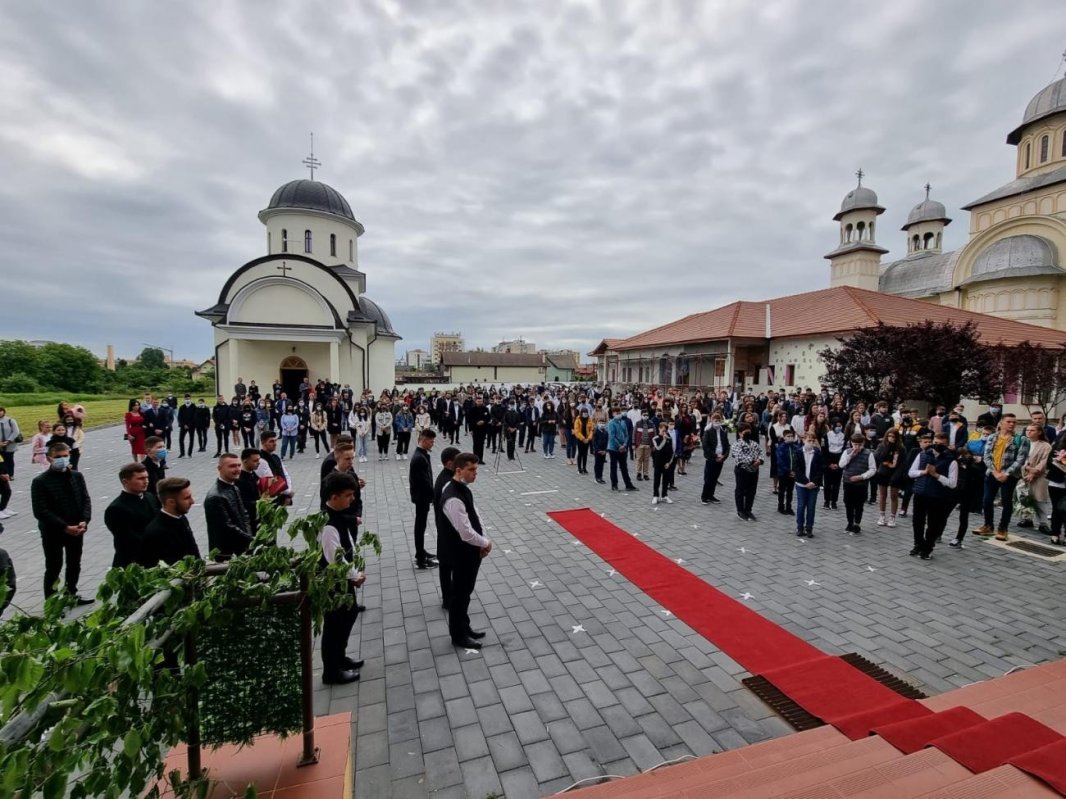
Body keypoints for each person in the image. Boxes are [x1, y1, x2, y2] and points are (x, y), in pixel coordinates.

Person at [439, 453, 492, 649]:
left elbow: (475, 514)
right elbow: (464, 531)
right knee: (459, 594)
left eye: (476, 470)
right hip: (461, 553)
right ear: (459, 470)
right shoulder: (453, 497)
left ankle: (464, 625)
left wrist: (483, 538)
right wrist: (484, 542)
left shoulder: (462, 489)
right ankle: (458, 634)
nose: (475, 474)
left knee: (465, 592)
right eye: (471, 470)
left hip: (471, 551)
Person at [318, 471, 367, 685]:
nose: (352, 498)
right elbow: (334, 558)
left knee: (349, 614)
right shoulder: (327, 524)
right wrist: (354, 575)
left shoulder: (337, 515)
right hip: (334, 581)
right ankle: (331, 670)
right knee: (335, 623)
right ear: (334, 497)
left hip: (342, 579)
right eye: (348, 495)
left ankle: (340, 657)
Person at [31, 442, 92, 602]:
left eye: (65, 456)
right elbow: (41, 511)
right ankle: (51, 602)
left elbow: (85, 499)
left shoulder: (76, 476)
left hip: (77, 528)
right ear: (49, 458)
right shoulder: (41, 481)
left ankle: (71, 593)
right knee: (53, 566)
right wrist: (64, 527)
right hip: (54, 531)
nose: (63, 460)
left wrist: (84, 520)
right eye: (58, 457)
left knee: (74, 563)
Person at [974, 414, 1029, 541]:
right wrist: (994, 472)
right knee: (987, 500)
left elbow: (1020, 459)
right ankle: (988, 525)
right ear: (1001, 423)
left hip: (1009, 476)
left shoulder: (1021, 439)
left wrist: (1006, 473)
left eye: (1014, 422)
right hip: (992, 473)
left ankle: (1003, 528)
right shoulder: (993, 437)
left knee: (1006, 501)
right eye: (1009, 421)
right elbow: (987, 456)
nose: (1011, 424)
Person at [907, 432, 958, 560]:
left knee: (933, 523)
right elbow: (911, 473)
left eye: (941, 444)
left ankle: (928, 547)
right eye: (935, 443)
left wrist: (936, 475)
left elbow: (952, 483)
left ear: (947, 445)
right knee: (917, 521)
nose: (937, 446)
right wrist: (923, 472)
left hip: (937, 496)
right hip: (920, 493)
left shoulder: (951, 461)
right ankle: (918, 543)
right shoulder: (922, 454)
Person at [104, 462, 161, 567]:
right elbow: (128, 541)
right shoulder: (117, 508)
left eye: (147, 477)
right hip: (134, 564)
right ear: (125, 482)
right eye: (140, 479)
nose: (146, 481)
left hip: (155, 558)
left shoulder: (150, 497)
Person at [203, 453, 254, 559]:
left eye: (239, 465)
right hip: (226, 553)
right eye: (232, 466)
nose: (237, 469)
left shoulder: (234, 487)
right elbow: (227, 527)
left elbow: (244, 515)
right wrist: (251, 539)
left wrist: (248, 536)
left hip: (240, 548)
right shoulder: (215, 496)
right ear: (219, 468)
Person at [140, 477, 201, 566]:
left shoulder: (181, 517)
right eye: (187, 498)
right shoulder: (156, 532)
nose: (192, 501)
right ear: (171, 502)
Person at [434, 447, 460, 611]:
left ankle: (448, 596)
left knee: (446, 565)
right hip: (448, 531)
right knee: (448, 566)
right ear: (450, 463)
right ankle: (448, 598)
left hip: (444, 529)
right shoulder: (446, 482)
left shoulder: (447, 478)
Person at [409, 430, 439, 569]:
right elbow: (424, 481)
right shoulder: (419, 458)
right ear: (424, 440)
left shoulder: (421, 455)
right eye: (431, 441)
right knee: (420, 527)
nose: (433, 444)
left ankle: (421, 552)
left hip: (422, 496)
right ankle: (420, 558)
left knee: (421, 526)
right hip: (422, 497)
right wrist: (434, 496)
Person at [838, 433, 876, 533]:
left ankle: (857, 523)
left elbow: (872, 469)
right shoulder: (847, 452)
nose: (857, 447)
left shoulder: (869, 453)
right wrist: (851, 456)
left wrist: (861, 477)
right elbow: (841, 465)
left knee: (859, 505)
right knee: (848, 504)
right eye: (855, 444)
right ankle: (850, 522)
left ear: (863, 443)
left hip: (861, 484)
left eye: (859, 445)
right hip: (848, 482)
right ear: (851, 443)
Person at [1019, 423, 1052, 535]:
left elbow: (1044, 462)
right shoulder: (1023, 443)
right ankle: (1027, 519)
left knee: (1039, 500)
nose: (1029, 432)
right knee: (1024, 498)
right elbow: (1019, 458)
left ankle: (1043, 523)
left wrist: (1033, 473)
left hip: (1039, 476)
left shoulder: (1045, 446)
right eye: (1027, 430)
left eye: (1032, 430)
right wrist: (1025, 468)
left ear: (1039, 432)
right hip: (1023, 474)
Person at [794, 431, 825, 537]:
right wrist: (806, 482)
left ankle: (809, 528)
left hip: (813, 484)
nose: (811, 443)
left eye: (813, 441)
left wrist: (814, 482)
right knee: (801, 506)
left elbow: (820, 469)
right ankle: (800, 527)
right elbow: (797, 469)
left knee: (811, 507)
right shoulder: (798, 452)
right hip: (802, 484)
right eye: (809, 441)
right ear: (803, 440)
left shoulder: (817, 452)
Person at [731, 424, 763, 521]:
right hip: (742, 469)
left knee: (752, 491)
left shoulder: (754, 443)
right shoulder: (737, 444)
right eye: (745, 431)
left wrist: (760, 460)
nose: (748, 433)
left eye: (749, 431)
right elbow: (739, 455)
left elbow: (760, 452)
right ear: (740, 433)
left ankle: (748, 509)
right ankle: (740, 510)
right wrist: (753, 461)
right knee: (740, 490)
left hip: (754, 470)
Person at [874, 429, 904, 527]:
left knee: (894, 496)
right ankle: (882, 515)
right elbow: (878, 457)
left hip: (895, 474)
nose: (891, 438)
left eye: (894, 437)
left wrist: (897, 475)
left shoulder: (901, 448)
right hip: (883, 473)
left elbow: (903, 463)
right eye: (889, 436)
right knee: (883, 495)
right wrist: (888, 446)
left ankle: (892, 517)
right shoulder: (882, 446)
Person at [256, 431, 294, 507]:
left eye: (275, 441)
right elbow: (271, 480)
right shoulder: (261, 460)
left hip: (282, 495)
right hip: (270, 499)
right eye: (271, 441)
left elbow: (285, 475)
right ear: (263, 443)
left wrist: (288, 489)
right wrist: (288, 492)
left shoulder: (276, 457)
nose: (274, 443)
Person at [701, 414, 729, 504]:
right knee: (709, 478)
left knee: (715, 478)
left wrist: (724, 456)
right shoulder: (708, 432)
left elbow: (727, 445)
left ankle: (711, 495)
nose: (717, 422)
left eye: (718, 420)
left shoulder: (723, 432)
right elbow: (705, 446)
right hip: (712, 458)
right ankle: (704, 497)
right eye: (715, 420)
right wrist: (715, 456)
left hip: (721, 458)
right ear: (712, 421)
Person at [607, 406, 637, 491]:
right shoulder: (611, 423)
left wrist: (624, 445)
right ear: (613, 414)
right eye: (617, 413)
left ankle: (628, 484)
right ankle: (614, 485)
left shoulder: (623, 422)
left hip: (623, 448)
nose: (619, 414)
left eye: (619, 413)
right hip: (613, 448)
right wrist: (619, 445)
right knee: (613, 467)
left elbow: (627, 435)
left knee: (624, 467)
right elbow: (612, 436)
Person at [775, 428, 801, 516]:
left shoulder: (796, 447)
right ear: (784, 437)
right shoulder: (781, 447)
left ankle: (789, 507)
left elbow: (798, 460)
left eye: (791, 436)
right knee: (782, 490)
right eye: (788, 436)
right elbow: (780, 461)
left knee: (790, 490)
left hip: (793, 473)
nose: (790, 438)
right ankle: (780, 507)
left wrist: (795, 471)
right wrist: (788, 471)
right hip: (783, 473)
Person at [237, 448, 262, 533]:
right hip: (250, 520)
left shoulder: (252, 473)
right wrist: (261, 502)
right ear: (245, 461)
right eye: (255, 460)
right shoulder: (240, 480)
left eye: (259, 460)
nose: (258, 463)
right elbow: (244, 502)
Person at [650, 422, 675, 505]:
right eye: (663, 430)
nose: (664, 432)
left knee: (666, 480)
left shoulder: (669, 438)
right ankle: (655, 496)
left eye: (665, 430)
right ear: (659, 429)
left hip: (666, 463)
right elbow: (658, 448)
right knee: (657, 480)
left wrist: (669, 462)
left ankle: (664, 495)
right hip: (658, 462)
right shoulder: (655, 438)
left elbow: (672, 452)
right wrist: (664, 439)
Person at [633, 409, 655, 482]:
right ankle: (638, 473)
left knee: (646, 460)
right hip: (639, 444)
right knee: (639, 459)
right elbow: (634, 434)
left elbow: (654, 434)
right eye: (644, 415)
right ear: (641, 415)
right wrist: (633, 443)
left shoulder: (651, 424)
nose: (646, 416)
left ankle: (645, 474)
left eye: (647, 415)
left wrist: (654, 445)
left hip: (648, 445)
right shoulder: (638, 423)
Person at [0, 406, 22, 479]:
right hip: (0, 444)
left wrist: (8, 440)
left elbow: (16, 431)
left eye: (1, 411)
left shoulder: (10, 420)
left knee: (9, 459)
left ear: (4, 412)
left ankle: (10, 474)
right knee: (1, 460)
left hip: (10, 444)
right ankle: (3, 474)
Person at [467, 395, 490, 464]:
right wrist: (471, 429)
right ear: (475, 401)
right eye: (478, 401)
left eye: (480, 401)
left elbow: (488, 417)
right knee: (476, 444)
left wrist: (483, 421)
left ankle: (480, 459)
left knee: (481, 444)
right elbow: (470, 420)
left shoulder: (485, 409)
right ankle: (475, 459)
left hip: (483, 429)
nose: (479, 402)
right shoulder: (472, 409)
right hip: (475, 429)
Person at [573, 409, 593, 475]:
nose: (585, 414)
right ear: (581, 413)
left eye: (586, 413)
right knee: (580, 453)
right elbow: (577, 431)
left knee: (585, 454)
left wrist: (588, 438)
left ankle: (584, 468)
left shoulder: (589, 420)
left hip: (587, 439)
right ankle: (579, 468)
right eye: (584, 413)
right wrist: (583, 439)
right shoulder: (577, 420)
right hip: (580, 439)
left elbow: (591, 430)